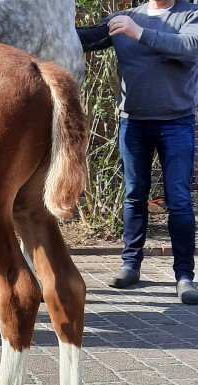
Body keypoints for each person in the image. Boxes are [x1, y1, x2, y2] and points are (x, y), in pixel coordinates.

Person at [77, 0, 198, 304]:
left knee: (180, 200)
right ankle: (130, 265)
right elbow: (82, 37)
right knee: (134, 195)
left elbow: (189, 47)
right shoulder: (124, 18)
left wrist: (139, 33)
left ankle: (184, 276)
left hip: (176, 123)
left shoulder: (190, 14)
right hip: (133, 124)